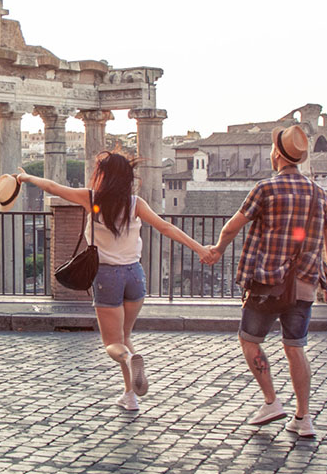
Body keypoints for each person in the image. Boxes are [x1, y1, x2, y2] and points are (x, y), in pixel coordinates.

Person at [17, 151, 213, 412]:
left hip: (107, 276)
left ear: (103, 176)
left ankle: (130, 359)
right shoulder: (136, 203)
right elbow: (166, 228)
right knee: (125, 335)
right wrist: (200, 249)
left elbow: (54, 188)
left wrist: (25, 176)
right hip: (134, 274)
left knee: (113, 344)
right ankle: (130, 395)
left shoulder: (91, 198)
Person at [205, 125, 327, 438]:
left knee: (249, 340)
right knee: (296, 348)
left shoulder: (265, 189)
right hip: (304, 285)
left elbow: (232, 227)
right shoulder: (319, 194)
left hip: (266, 283)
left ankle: (271, 401)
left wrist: (217, 249)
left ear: (277, 155)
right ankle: (303, 417)